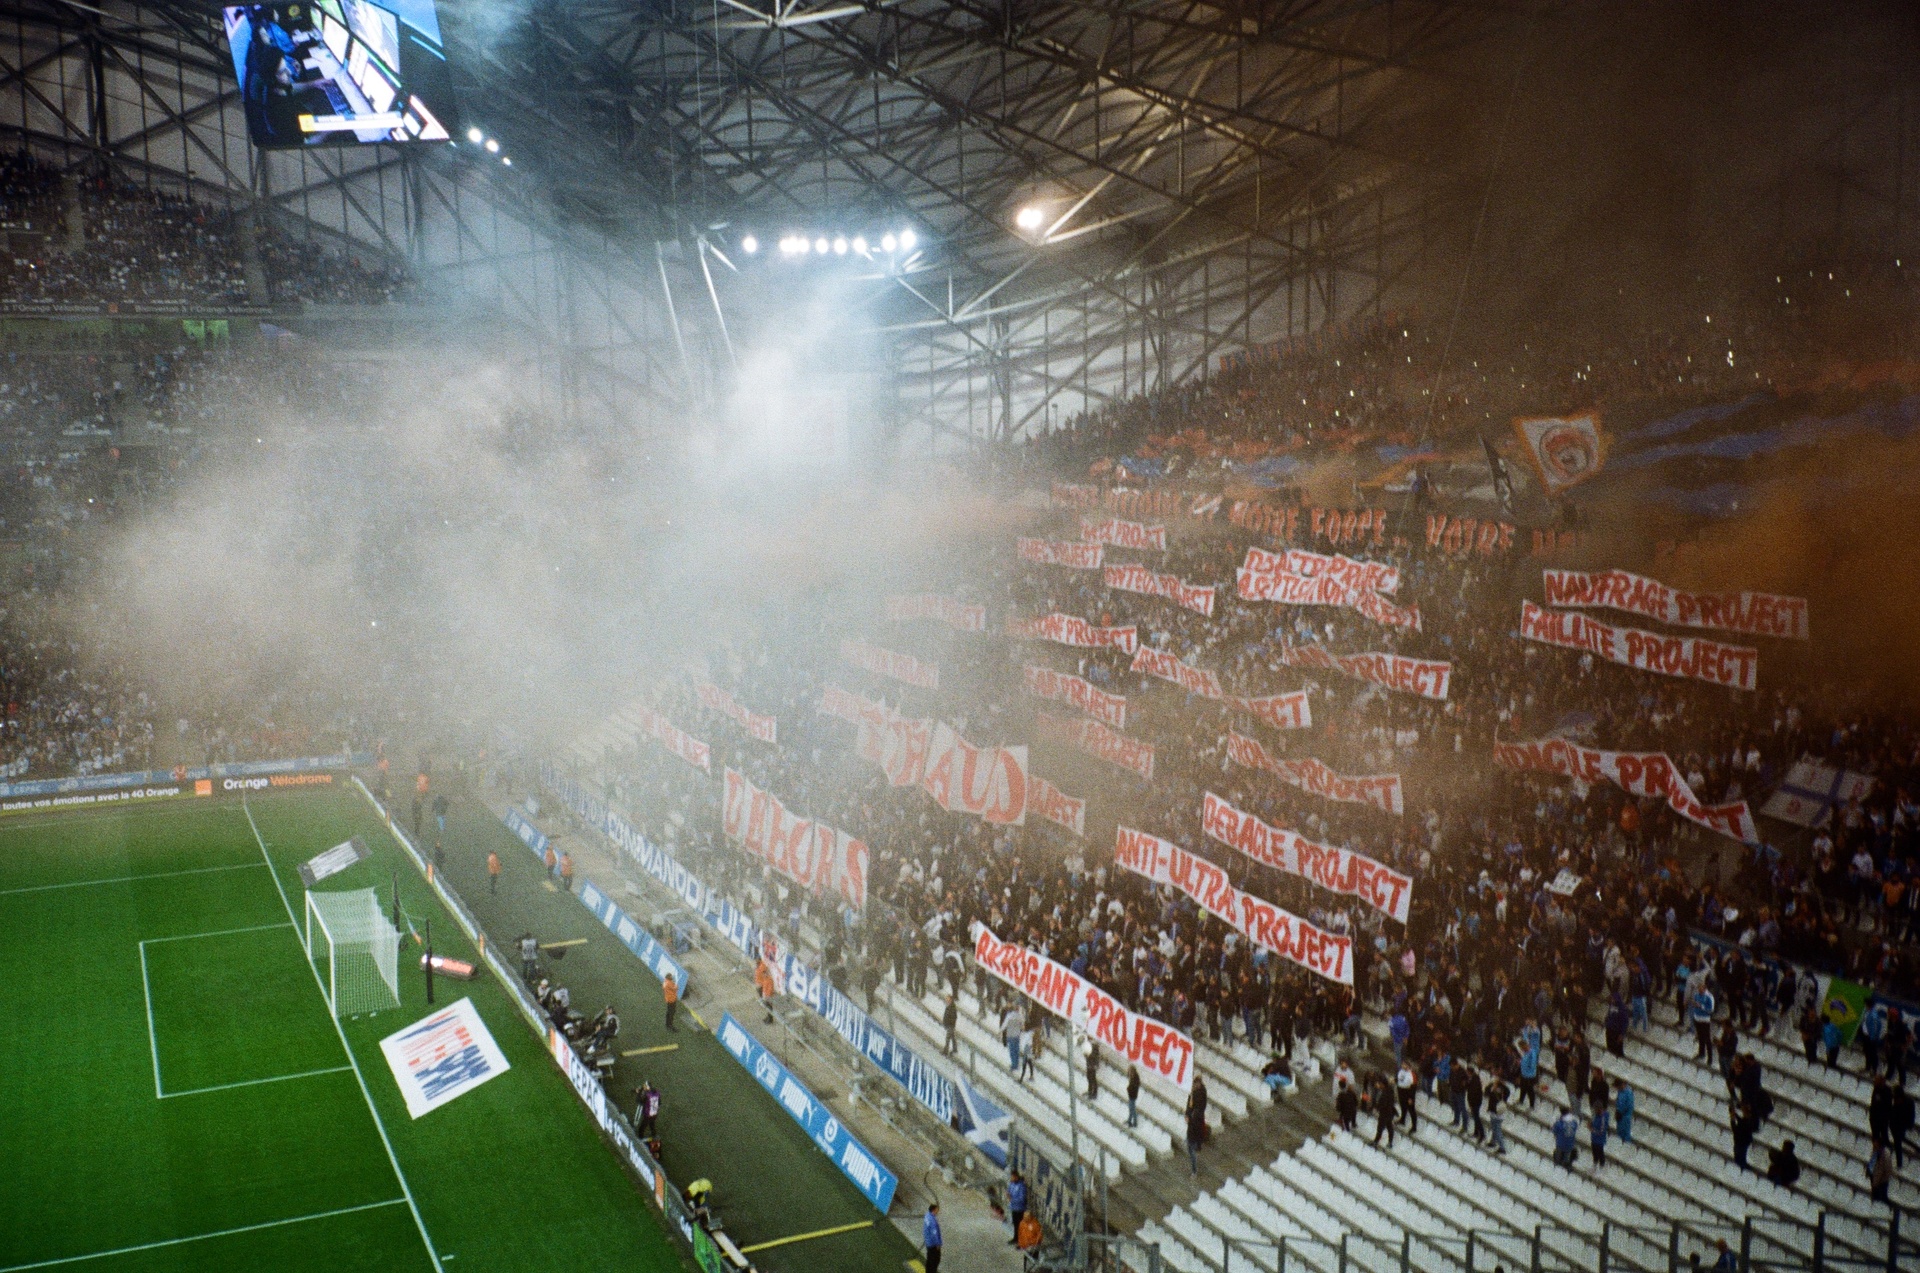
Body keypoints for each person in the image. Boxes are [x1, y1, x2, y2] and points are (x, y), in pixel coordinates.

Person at [1185, 1076, 1210, 1175]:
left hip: (1194, 1124)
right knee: (1193, 1144)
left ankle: (1194, 1170)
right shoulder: (1193, 1093)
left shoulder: (1200, 1093)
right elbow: (1189, 1105)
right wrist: (1187, 1114)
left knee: (1191, 1149)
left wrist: (1190, 1117)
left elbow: (1199, 1108)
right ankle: (1198, 1145)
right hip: (1193, 1123)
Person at [1691, 986, 1717, 1063]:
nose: (1700, 991)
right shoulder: (1696, 994)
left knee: (1707, 1039)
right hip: (1697, 1018)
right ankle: (1701, 1053)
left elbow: (1711, 1010)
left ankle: (1710, 1058)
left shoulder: (1709, 997)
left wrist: (1701, 1006)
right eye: (1699, 990)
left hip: (1705, 1020)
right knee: (1700, 1037)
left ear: (1705, 989)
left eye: (1701, 990)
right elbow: (1694, 1003)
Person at [1487, 1074, 1509, 1154]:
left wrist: (1495, 1088)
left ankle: (1502, 1147)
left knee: (1497, 1129)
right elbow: (1487, 1091)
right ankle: (1493, 1141)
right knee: (1494, 1128)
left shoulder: (1504, 1090)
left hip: (1497, 1112)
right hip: (1495, 1111)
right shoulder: (1500, 1088)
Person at [1867, 1138, 1894, 1204]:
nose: (1874, 1144)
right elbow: (1872, 1161)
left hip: (1880, 1176)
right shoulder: (1877, 1151)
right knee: (1875, 1189)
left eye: (1876, 1143)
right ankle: (1876, 1199)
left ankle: (1881, 1200)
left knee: (1880, 1189)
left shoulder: (1885, 1154)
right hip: (1874, 1173)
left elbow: (1886, 1168)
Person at [1006, 1170, 1028, 1244]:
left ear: (1016, 1177)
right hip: (1014, 1207)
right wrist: (1008, 1194)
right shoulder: (1012, 1184)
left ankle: (1021, 1240)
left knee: (1020, 1225)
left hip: (1019, 1209)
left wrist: (1012, 1199)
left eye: (1012, 1177)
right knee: (1015, 1224)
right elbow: (1009, 1190)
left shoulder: (1021, 1186)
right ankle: (1016, 1238)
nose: (1011, 1179)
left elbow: (1022, 1199)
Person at [756, 957, 778, 1024]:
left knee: (768, 1005)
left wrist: (766, 994)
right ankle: (768, 1017)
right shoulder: (760, 967)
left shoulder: (768, 979)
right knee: (765, 1004)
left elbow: (769, 988)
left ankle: (770, 1018)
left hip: (765, 991)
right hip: (762, 988)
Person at [923, 1202, 943, 1272]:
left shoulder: (927, 1216)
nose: (937, 1211)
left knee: (929, 1259)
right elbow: (934, 1233)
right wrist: (937, 1243)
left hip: (928, 1242)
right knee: (935, 1260)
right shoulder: (933, 1221)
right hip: (933, 1243)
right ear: (933, 1210)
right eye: (937, 1210)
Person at [1614, 1078, 1635, 1145]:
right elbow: (1618, 1101)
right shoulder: (1620, 1091)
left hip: (1625, 1116)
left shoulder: (1628, 1093)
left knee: (1625, 1134)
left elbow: (1629, 1105)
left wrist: (1620, 1111)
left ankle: (1625, 1146)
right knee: (1619, 1132)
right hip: (1619, 1116)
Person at [1589, 1104, 1610, 1169]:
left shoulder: (1603, 1118)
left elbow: (1601, 1131)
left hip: (1599, 1140)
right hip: (1594, 1138)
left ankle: (1602, 1166)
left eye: (1596, 1109)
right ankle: (1595, 1164)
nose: (1594, 1111)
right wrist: (1590, 1124)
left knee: (1600, 1153)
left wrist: (1591, 1129)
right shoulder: (1595, 1115)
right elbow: (1593, 1122)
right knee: (1594, 1153)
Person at [1083, 1035, 1099, 1101]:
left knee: (1093, 1078)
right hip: (1089, 1064)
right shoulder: (1088, 1044)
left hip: (1092, 1065)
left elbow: (1096, 1056)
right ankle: (1089, 1091)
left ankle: (1094, 1093)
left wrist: (1088, 1055)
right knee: (1089, 1077)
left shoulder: (1094, 1046)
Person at [1126, 1064, 1142, 1128]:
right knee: (1131, 1108)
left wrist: (1128, 1089)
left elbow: (1133, 1087)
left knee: (1132, 1109)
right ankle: (1129, 1120)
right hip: (1132, 1095)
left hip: (1132, 1096)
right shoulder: (1134, 1077)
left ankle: (1135, 1123)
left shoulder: (1135, 1078)